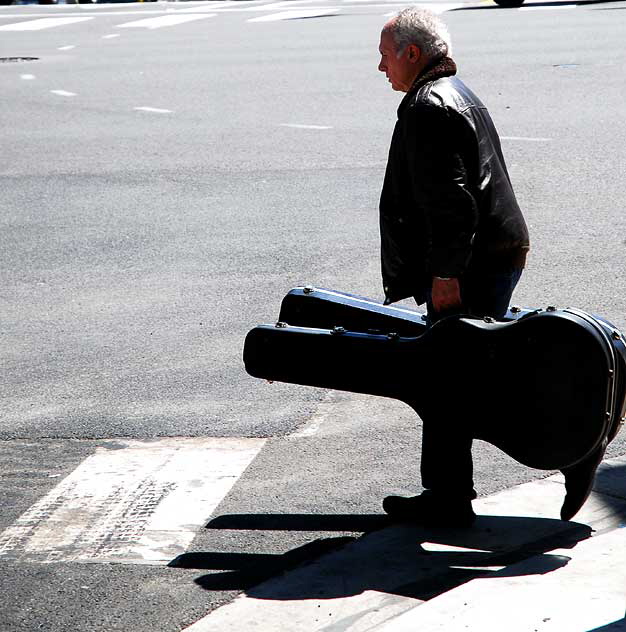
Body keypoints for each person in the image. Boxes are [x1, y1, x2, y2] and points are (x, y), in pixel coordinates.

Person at [377, 7, 598, 526]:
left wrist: (446, 275)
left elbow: (453, 204)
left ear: (413, 53)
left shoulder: (430, 105)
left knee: (452, 379)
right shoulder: (454, 93)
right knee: (457, 377)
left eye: (385, 55)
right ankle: (449, 494)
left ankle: (569, 451)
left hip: (473, 263)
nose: (380, 67)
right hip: (492, 253)